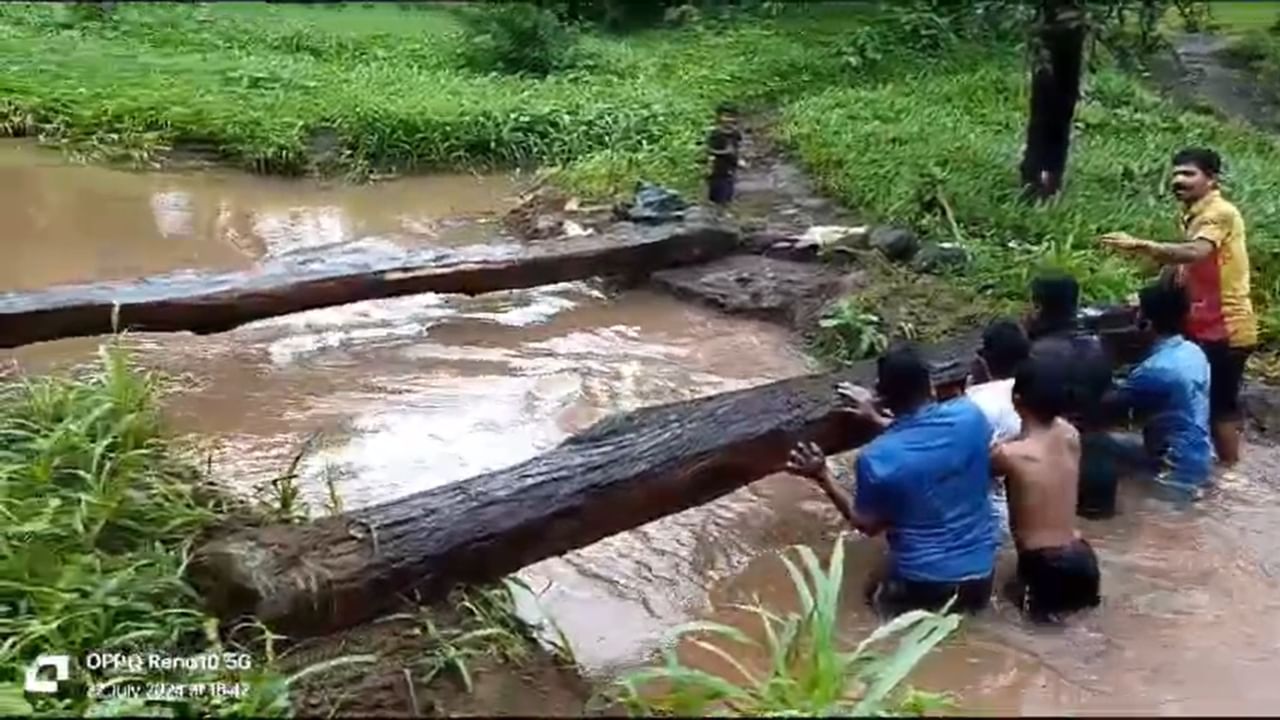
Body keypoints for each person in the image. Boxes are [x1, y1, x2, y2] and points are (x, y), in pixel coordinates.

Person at [786, 343, 997, 618]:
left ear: (881, 397)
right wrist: (878, 416)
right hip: (981, 578)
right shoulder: (972, 417)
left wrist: (822, 475)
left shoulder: (878, 459)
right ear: (930, 386)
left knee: (870, 605)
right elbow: (932, 441)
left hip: (923, 583)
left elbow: (868, 525)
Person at [1100, 147, 1256, 466]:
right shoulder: (1195, 213)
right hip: (1202, 321)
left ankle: (1230, 474)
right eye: (1175, 174)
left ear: (1212, 179)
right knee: (1199, 401)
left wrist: (1144, 246)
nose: (1178, 180)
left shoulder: (1219, 213)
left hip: (1227, 325)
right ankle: (1205, 468)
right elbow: (1182, 266)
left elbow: (1195, 252)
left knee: (1220, 406)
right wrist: (1147, 295)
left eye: (1188, 174)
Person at [992, 357, 1101, 622]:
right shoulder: (1070, 434)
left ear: (1016, 400)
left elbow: (979, 470)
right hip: (1082, 557)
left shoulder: (1009, 455)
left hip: (1044, 565)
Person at [1093, 283, 1213, 495]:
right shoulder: (1193, 352)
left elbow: (1103, 406)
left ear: (1146, 323)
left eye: (1136, 313)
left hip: (1173, 470)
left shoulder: (1155, 370)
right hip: (1199, 455)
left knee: (1093, 444)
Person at [1023, 273, 1117, 518]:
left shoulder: (1036, 356)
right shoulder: (1098, 349)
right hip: (1101, 465)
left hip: (1057, 464)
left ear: (1038, 307)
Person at [966, 320, 1031, 543]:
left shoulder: (974, 403)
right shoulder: (1035, 393)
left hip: (986, 519)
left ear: (983, 358)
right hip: (1030, 514)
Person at [705, 103, 742, 207]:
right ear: (718, 117)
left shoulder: (735, 134)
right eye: (726, 116)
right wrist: (725, 153)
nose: (729, 120)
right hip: (717, 173)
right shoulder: (716, 134)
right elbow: (708, 151)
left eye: (732, 116)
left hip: (730, 172)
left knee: (727, 199)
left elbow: (736, 149)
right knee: (717, 201)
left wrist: (736, 160)